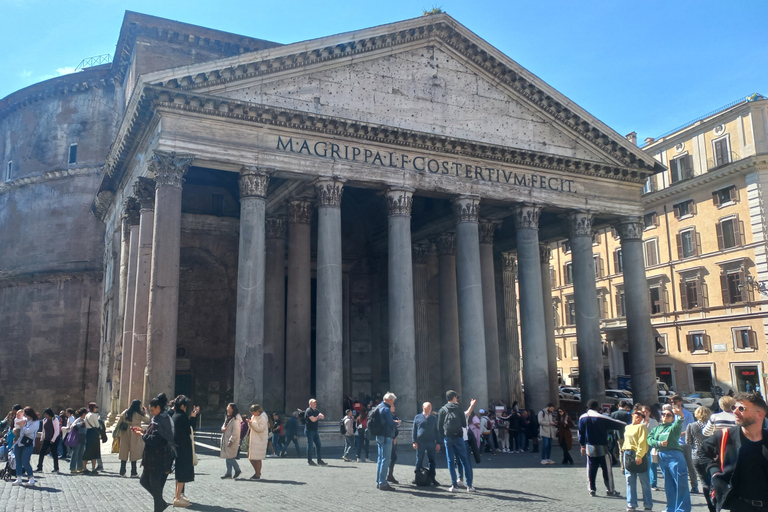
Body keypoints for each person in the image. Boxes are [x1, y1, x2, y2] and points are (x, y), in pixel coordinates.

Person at [698, 392, 768, 512]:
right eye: (733, 407)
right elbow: (703, 452)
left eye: (741, 408)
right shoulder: (725, 435)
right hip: (740, 505)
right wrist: (714, 471)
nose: (735, 411)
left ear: (760, 414)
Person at [648, 403, 691, 512]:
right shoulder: (657, 429)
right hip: (662, 456)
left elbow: (680, 421)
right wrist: (659, 443)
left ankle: (682, 509)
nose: (665, 416)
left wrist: (680, 414)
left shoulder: (673, 427)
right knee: (668, 485)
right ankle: (671, 508)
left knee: (680, 483)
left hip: (675, 456)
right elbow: (649, 439)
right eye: (663, 414)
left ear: (672, 418)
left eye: (668, 415)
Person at [136, 393, 175, 512]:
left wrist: (142, 435)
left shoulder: (161, 421)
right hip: (152, 458)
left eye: (152, 410)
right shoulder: (157, 419)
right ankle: (161, 503)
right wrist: (143, 431)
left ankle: (159, 505)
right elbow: (154, 435)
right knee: (146, 482)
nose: (151, 412)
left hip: (158, 458)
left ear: (158, 407)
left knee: (156, 486)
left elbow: (155, 440)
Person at [578, 399, 626, 497]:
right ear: (596, 407)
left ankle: (591, 489)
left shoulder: (582, 418)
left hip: (589, 447)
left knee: (591, 469)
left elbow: (580, 434)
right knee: (607, 470)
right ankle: (610, 489)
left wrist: (582, 446)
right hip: (602, 447)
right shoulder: (601, 418)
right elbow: (618, 424)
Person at [438, 390, 475, 493]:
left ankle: (454, 485)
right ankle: (469, 486)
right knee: (464, 460)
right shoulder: (459, 408)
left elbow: (439, 426)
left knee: (450, 461)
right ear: (454, 397)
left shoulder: (443, 409)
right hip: (459, 437)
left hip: (448, 437)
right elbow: (464, 424)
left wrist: (443, 437)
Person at [621, 406, 652, 512]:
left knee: (644, 481)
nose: (640, 416)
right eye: (638, 414)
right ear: (632, 414)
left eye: (642, 415)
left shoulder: (642, 427)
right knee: (629, 480)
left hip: (638, 453)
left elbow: (642, 442)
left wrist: (639, 455)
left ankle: (648, 505)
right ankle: (631, 504)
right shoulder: (627, 427)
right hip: (627, 453)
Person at [171, 395, 199, 507]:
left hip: (177, 447)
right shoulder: (182, 416)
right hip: (183, 448)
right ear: (183, 406)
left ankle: (177, 495)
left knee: (179, 473)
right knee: (182, 473)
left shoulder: (175, 415)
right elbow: (190, 429)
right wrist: (193, 417)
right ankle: (177, 497)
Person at [687, 406, 713, 512]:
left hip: (697, 455)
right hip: (711, 455)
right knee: (714, 480)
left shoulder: (691, 426)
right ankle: (716, 501)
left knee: (704, 482)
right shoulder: (711, 426)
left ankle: (710, 506)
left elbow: (688, 441)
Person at [670, 394, 699, 493]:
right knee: (677, 465)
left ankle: (694, 485)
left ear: (680, 402)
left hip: (685, 443)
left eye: (674, 402)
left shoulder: (687, 414)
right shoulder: (671, 414)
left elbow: (689, 428)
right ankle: (680, 485)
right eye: (672, 402)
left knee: (689, 465)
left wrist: (680, 434)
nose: (673, 404)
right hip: (675, 443)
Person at [115, 399, 149, 477]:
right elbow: (147, 419)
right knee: (134, 451)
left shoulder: (125, 412)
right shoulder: (138, 414)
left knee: (124, 450)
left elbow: (119, 422)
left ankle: (122, 471)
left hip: (125, 432)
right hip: (134, 432)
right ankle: (133, 472)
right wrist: (145, 412)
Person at [373, 392, 398, 491]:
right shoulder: (386, 409)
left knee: (380, 459)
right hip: (386, 436)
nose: (393, 403)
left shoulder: (378, 407)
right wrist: (396, 423)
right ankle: (383, 482)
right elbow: (390, 423)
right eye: (393, 401)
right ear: (390, 400)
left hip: (379, 436)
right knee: (386, 459)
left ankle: (379, 480)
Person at [412, 401, 441, 486]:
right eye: (428, 407)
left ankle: (432, 478)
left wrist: (438, 443)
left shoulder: (434, 418)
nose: (429, 408)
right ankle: (418, 477)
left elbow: (437, 431)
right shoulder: (417, 417)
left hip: (431, 442)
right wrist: (414, 441)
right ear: (423, 407)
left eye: (430, 407)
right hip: (420, 442)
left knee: (432, 461)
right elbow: (414, 430)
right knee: (419, 460)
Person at [12, 407, 40, 486]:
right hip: (18, 442)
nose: (24, 416)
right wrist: (15, 429)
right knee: (18, 461)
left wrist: (22, 426)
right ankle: (19, 479)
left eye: (25, 414)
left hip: (27, 444)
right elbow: (17, 426)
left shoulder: (36, 422)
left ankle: (31, 479)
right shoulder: (24, 420)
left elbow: (28, 431)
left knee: (25, 461)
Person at [220, 403, 242, 479]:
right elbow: (224, 424)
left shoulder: (236, 419)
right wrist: (222, 428)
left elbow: (236, 431)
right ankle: (228, 473)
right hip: (225, 439)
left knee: (230, 457)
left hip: (231, 440)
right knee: (227, 456)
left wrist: (231, 440)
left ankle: (237, 469)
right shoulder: (228, 416)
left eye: (228, 408)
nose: (227, 409)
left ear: (233, 409)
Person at [247, 404, 269, 479]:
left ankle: (257, 473)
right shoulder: (254, 416)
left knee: (257, 458)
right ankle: (257, 472)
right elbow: (252, 427)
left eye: (253, 413)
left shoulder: (262, 418)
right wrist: (250, 423)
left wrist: (252, 423)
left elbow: (260, 429)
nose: (252, 414)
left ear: (258, 411)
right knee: (251, 457)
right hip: (254, 439)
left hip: (260, 440)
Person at [36, 408, 60, 473]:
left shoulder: (55, 420)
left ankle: (56, 468)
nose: (45, 416)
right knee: (41, 452)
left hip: (54, 439)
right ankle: (39, 467)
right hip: (46, 438)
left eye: (46, 414)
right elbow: (44, 430)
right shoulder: (44, 420)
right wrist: (42, 438)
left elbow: (57, 431)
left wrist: (53, 439)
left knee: (54, 453)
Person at [304, 399, 327, 466]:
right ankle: (310, 460)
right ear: (310, 404)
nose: (315, 404)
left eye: (315, 403)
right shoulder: (308, 411)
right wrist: (318, 417)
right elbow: (313, 419)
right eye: (314, 403)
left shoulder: (316, 410)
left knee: (318, 445)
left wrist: (319, 416)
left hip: (315, 430)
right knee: (310, 445)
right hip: (309, 430)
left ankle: (319, 460)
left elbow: (322, 416)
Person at [82, 402, 102, 475]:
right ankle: (93, 469)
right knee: (94, 451)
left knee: (87, 450)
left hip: (88, 433)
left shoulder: (87, 415)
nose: (96, 409)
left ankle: (84, 468)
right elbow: (97, 425)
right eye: (95, 407)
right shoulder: (94, 415)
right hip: (94, 434)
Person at [68, 408, 88, 474]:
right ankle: (73, 468)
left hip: (83, 439)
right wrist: (79, 424)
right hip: (77, 439)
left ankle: (80, 468)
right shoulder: (78, 420)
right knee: (75, 454)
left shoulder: (86, 420)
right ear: (84, 414)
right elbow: (72, 427)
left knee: (81, 454)